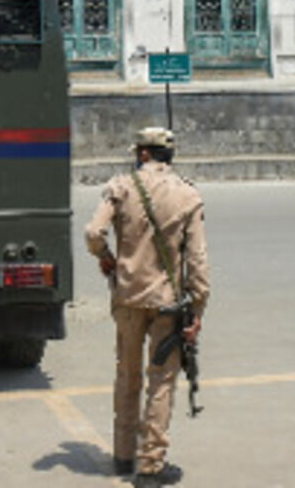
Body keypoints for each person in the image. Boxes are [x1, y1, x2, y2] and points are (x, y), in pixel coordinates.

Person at [84, 126, 210, 488]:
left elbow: (94, 233)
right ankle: (151, 465)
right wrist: (197, 309)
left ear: (143, 154)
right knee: (162, 381)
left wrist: (106, 258)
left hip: (126, 298)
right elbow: (198, 262)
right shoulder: (188, 194)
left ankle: (123, 456)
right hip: (167, 304)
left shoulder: (122, 186)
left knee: (127, 374)